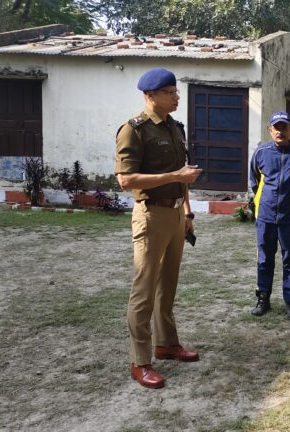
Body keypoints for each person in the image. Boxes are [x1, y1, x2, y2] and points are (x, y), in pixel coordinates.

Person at [115, 68, 204, 389]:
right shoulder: (133, 130)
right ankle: (140, 361)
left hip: (176, 214)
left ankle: (167, 344)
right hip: (150, 215)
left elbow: (183, 174)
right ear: (150, 95)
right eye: (170, 92)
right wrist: (175, 178)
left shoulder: (174, 128)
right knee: (144, 291)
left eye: (175, 91)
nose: (176, 97)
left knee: (168, 285)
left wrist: (188, 211)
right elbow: (125, 180)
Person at [249, 112, 290, 321]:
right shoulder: (261, 153)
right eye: (276, 127)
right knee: (264, 260)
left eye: (284, 127)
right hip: (265, 217)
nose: (280, 131)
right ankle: (263, 298)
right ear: (270, 130)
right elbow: (255, 181)